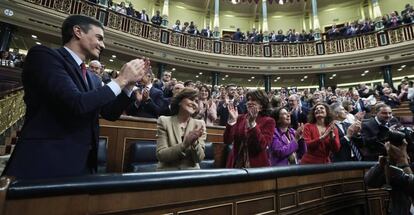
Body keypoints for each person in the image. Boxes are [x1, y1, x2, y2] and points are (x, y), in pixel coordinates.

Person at [2, 15, 146, 180]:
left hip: (82, 165)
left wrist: (128, 86)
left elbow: (109, 113)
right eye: (99, 37)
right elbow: (76, 103)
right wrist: (121, 80)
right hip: (44, 163)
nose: (103, 45)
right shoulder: (44, 56)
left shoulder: (93, 78)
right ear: (78, 31)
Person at [156, 88, 206, 170]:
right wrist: (184, 145)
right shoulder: (164, 121)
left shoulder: (200, 124)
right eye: (191, 99)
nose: (194, 103)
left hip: (191, 175)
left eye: (196, 101)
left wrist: (195, 143)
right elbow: (161, 155)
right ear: (179, 101)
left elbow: (199, 159)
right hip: (168, 173)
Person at [224, 90, 275, 168]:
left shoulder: (269, 121)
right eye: (248, 99)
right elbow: (227, 140)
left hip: (256, 165)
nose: (250, 102)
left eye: (253, 100)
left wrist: (252, 124)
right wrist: (232, 121)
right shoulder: (240, 118)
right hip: (236, 163)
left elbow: (262, 145)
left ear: (262, 105)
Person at [364, 140, 413, 215]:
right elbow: (370, 181)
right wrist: (381, 165)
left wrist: (402, 161)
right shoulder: (398, 166)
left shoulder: (402, 162)